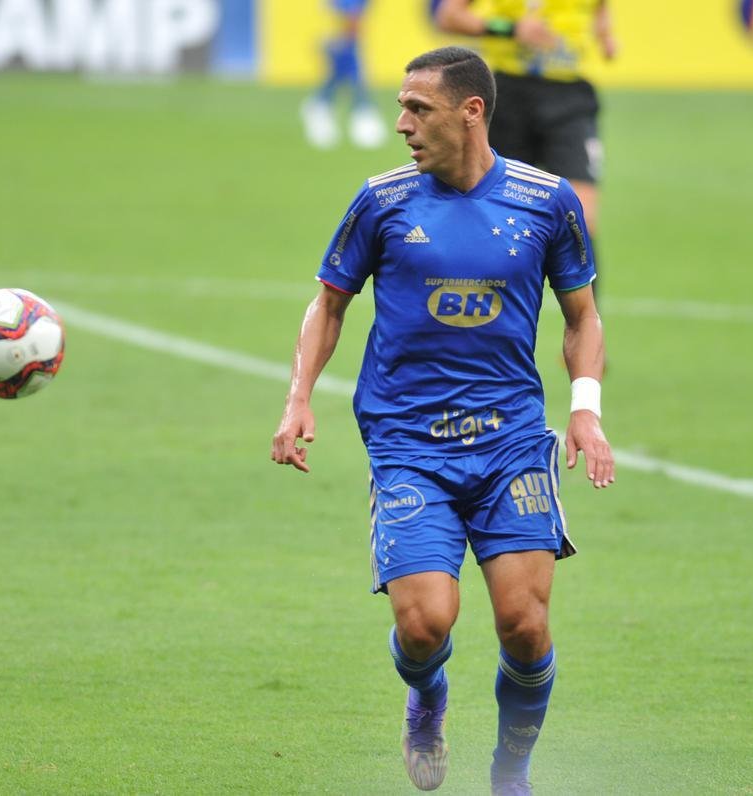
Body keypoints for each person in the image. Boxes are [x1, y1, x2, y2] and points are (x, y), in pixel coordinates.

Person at [272, 46, 615, 794]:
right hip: (409, 444)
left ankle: (510, 772)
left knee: (525, 626)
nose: (401, 123)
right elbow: (329, 303)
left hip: (510, 443)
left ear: (471, 112)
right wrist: (298, 396)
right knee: (425, 625)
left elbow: (582, 317)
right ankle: (427, 698)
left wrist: (585, 410)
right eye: (401, 107)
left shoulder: (546, 201)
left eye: (417, 109)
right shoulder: (382, 201)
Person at [432, 1, 618, 235]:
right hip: (509, 96)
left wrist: (605, 33)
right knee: (497, 214)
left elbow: (600, 7)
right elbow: (448, 17)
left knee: (579, 218)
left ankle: (570, 260)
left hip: (569, 96)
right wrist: (511, 29)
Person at [301, 0, 388, 150]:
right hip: (339, 27)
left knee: (347, 57)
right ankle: (361, 110)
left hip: (344, 26)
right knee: (350, 57)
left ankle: (322, 103)